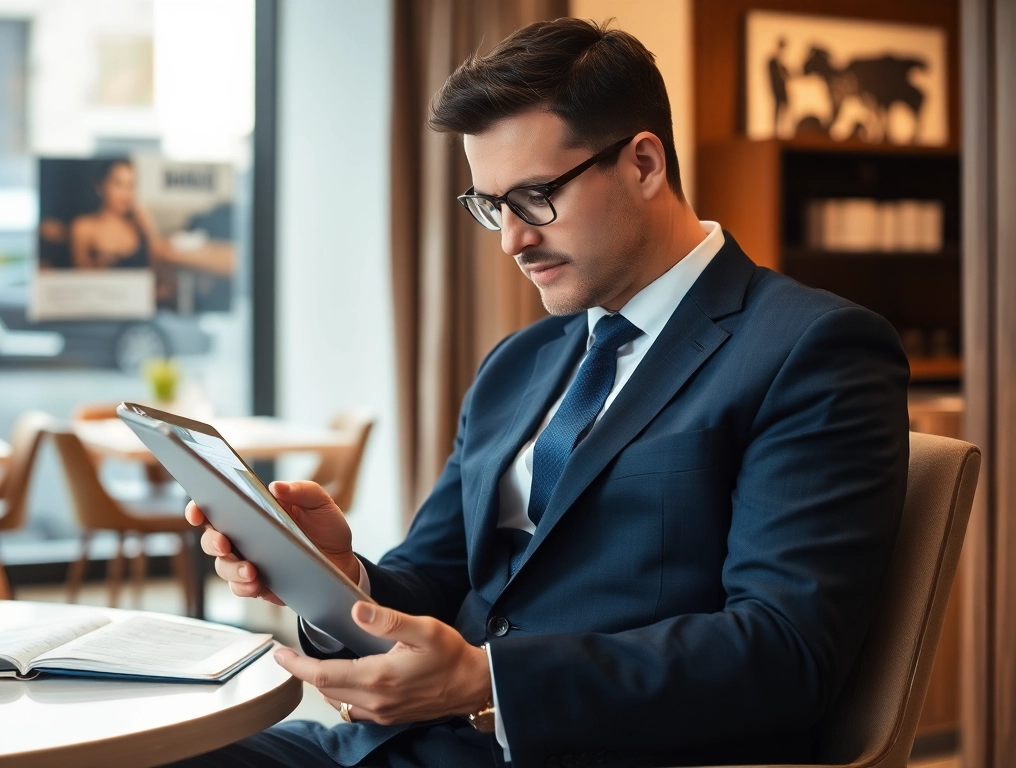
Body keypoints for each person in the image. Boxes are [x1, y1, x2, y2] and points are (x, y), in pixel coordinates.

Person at [169, 18, 908, 768]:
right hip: (391, 748)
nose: (511, 241)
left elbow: (785, 653)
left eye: (534, 197)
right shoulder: (518, 364)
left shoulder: (811, 349)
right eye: (492, 205)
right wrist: (337, 577)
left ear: (644, 163)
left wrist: (486, 683)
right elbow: (431, 578)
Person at [70, 158, 165, 271]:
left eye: (131, 185)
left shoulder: (138, 226)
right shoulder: (83, 227)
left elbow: (159, 277)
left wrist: (150, 230)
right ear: (101, 186)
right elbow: (81, 280)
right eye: (118, 184)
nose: (125, 193)